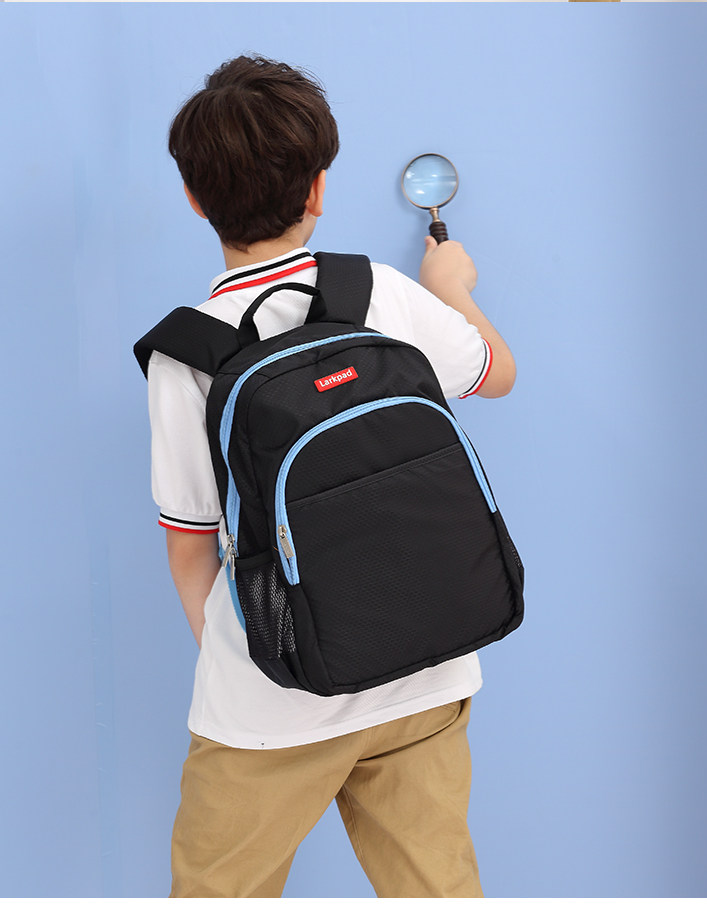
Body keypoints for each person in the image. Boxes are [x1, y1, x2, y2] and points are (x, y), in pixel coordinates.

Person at [146, 54, 516, 898]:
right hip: (425, 671)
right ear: (318, 188)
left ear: (194, 197)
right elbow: (496, 373)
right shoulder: (378, 289)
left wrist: (261, 661)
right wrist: (453, 289)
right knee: (438, 888)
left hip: (272, 711)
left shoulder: (186, 351)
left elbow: (190, 546)